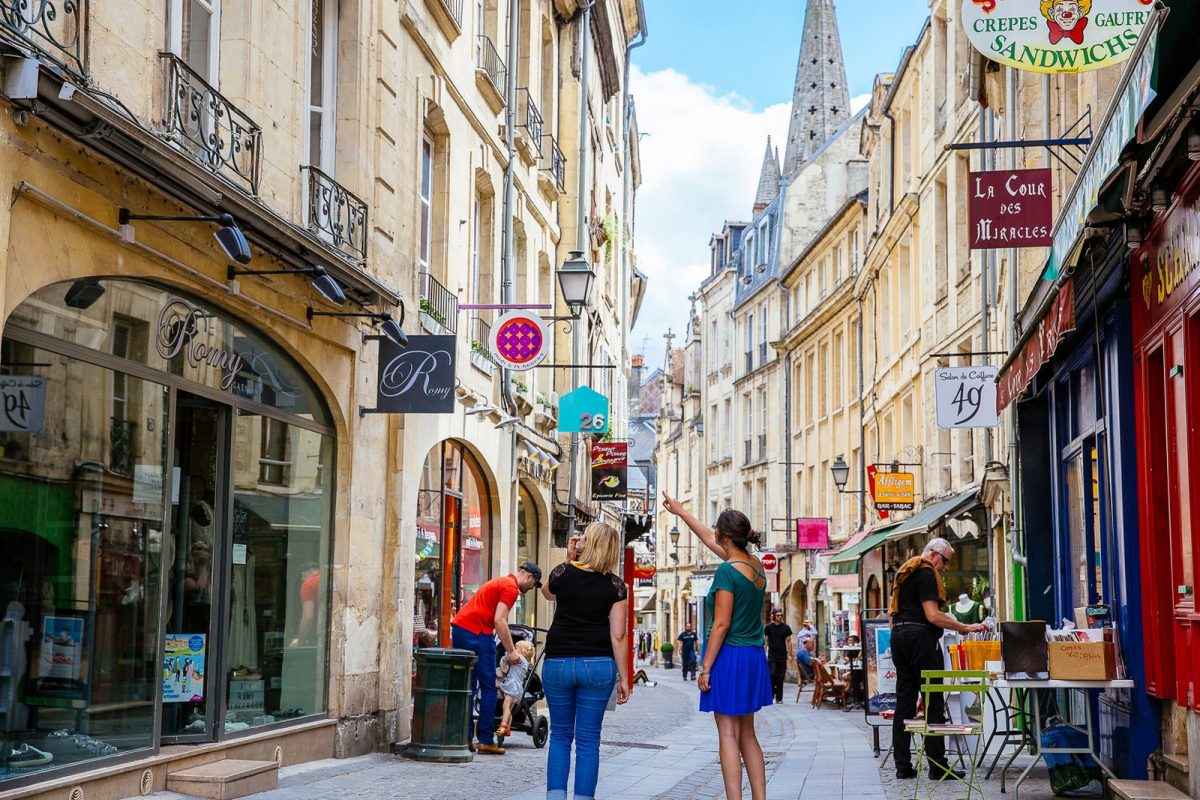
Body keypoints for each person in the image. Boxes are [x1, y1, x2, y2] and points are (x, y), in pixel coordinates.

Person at [663, 493, 770, 800]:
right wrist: (683, 514)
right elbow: (710, 538)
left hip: (729, 656)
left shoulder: (726, 571)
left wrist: (705, 666)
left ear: (726, 536)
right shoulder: (756, 566)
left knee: (727, 733)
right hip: (753, 656)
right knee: (748, 734)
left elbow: (720, 625)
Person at [540, 522, 631, 800]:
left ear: (585, 544)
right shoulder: (616, 586)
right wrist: (625, 678)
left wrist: (569, 559)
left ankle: (555, 797)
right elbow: (618, 636)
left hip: (558, 662)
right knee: (589, 741)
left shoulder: (562, 572)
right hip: (597, 664)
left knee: (559, 736)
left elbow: (547, 593)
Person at [890, 538, 988, 781]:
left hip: (899, 637)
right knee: (933, 700)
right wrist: (965, 627)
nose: (945, 567)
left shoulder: (905, 572)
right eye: (944, 561)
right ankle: (937, 766)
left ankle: (902, 766)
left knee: (905, 703)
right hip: (920, 640)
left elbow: (893, 615)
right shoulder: (925, 572)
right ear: (933, 554)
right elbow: (932, 616)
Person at [450, 561, 543, 755]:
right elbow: (499, 620)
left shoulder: (501, 582)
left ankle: (465, 737)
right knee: (489, 687)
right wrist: (511, 651)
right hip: (477, 632)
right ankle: (485, 739)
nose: (531, 588)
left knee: (469, 685)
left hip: (461, 628)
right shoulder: (511, 588)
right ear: (529, 577)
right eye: (534, 584)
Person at [495, 638, 536, 737]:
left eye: (516, 648)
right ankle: (508, 728)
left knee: (505, 706)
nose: (513, 650)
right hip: (516, 688)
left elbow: (508, 656)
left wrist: (508, 652)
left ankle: (503, 726)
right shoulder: (525, 662)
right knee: (509, 709)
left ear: (522, 651)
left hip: (512, 686)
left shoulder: (520, 659)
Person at [763, 610, 794, 703]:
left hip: (782, 654)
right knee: (772, 674)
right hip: (772, 654)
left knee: (781, 676)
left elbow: (788, 641)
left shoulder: (786, 628)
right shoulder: (768, 628)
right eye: (778, 615)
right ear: (774, 616)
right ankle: (772, 693)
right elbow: (766, 641)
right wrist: (764, 653)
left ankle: (779, 698)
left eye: (781, 615)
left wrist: (789, 654)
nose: (780, 617)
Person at [290, 562, 320, 647]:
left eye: (301, 579)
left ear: (303, 574)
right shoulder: (331, 579)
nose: (302, 581)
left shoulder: (308, 584)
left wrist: (300, 642)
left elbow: (308, 617)